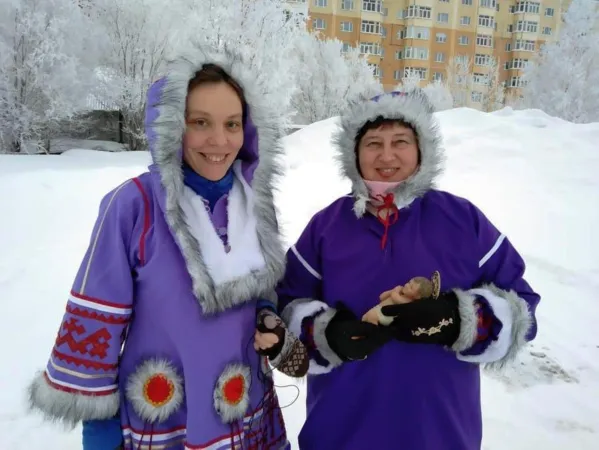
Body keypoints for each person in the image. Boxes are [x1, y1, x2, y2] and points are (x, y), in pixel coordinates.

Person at [26, 42, 307, 450]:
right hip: (164, 415)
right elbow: (97, 319)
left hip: (242, 408)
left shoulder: (254, 206)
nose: (219, 140)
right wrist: (99, 430)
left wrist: (266, 318)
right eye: (200, 122)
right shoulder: (134, 206)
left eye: (232, 124)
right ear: (171, 125)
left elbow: (261, 295)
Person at [277, 89, 541, 450]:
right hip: (339, 433)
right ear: (354, 153)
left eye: (400, 141)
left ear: (421, 149)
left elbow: (522, 305)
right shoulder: (327, 227)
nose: (387, 156)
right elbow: (282, 309)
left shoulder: (463, 221)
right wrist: (324, 334)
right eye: (373, 143)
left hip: (441, 435)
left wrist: (461, 320)